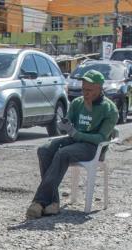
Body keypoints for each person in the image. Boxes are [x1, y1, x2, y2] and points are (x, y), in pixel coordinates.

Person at [27, 70, 118, 219]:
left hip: (93, 148)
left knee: (63, 153)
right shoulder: (77, 103)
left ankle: (39, 201)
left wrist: (77, 134)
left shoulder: (109, 109)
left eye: (89, 90)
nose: (85, 93)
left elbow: (101, 137)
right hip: (75, 141)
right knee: (44, 150)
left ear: (100, 89)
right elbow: (69, 123)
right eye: (83, 89)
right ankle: (53, 202)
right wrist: (63, 125)